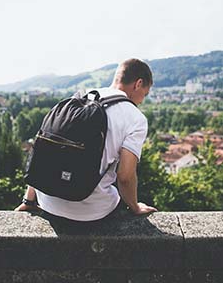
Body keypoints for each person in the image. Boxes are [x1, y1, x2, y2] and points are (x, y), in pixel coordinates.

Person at [14, 58, 158, 222]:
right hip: (90, 213)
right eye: (144, 95)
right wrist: (135, 207)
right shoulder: (135, 118)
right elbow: (125, 177)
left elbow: (48, 148)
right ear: (138, 84)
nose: (141, 100)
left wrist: (29, 200)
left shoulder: (78, 98)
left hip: (47, 202)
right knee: (116, 200)